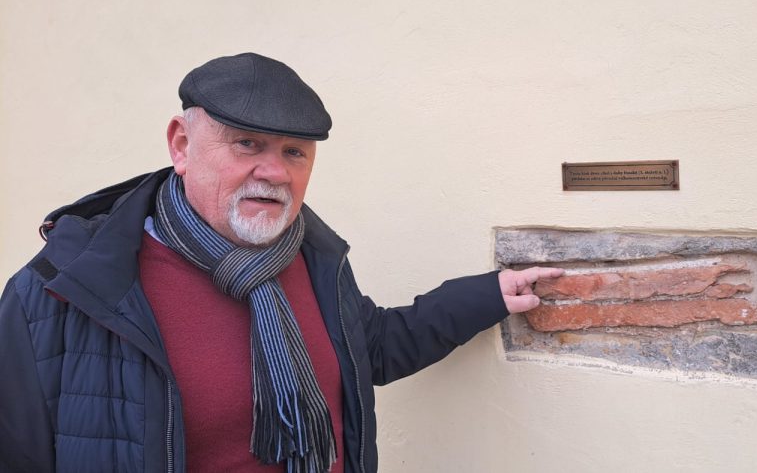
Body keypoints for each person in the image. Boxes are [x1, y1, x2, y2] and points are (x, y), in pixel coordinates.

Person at [0, 52, 561, 473]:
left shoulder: (310, 255)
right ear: (181, 145)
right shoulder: (61, 289)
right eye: (247, 144)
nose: (274, 172)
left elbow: (368, 350)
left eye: (294, 152)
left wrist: (488, 296)